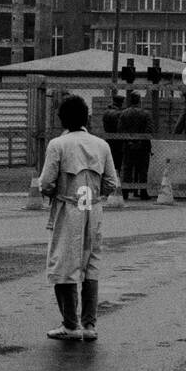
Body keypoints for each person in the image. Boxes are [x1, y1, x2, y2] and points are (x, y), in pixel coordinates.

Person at [37, 95, 119, 341]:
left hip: (67, 207)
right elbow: (111, 183)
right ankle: (89, 325)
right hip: (93, 209)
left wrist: (56, 194)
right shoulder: (101, 145)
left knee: (64, 264)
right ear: (86, 118)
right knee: (90, 264)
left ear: (62, 118)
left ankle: (70, 324)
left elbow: (45, 183)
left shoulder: (57, 145)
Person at [117, 90, 154, 199]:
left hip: (128, 146)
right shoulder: (146, 114)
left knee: (127, 168)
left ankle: (125, 192)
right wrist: (140, 142)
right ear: (139, 101)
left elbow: (120, 130)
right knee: (142, 169)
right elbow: (149, 130)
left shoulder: (124, 113)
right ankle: (142, 191)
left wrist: (129, 141)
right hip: (143, 147)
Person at [102, 93, 125, 186]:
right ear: (120, 103)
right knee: (117, 163)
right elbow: (120, 128)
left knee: (108, 162)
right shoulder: (119, 113)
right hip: (118, 141)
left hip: (108, 139)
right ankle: (115, 183)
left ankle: (107, 182)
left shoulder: (106, 112)